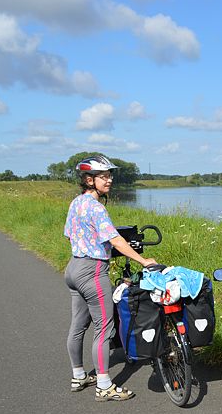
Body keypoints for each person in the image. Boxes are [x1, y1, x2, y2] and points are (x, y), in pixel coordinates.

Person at [63, 154, 156, 401]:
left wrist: (94, 247)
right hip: (92, 271)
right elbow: (115, 239)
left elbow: (69, 236)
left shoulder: (76, 203)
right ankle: (104, 386)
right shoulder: (96, 207)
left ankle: (79, 375)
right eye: (103, 176)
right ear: (88, 180)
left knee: (77, 325)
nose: (109, 180)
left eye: (109, 175)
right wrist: (143, 260)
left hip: (73, 268)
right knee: (104, 327)